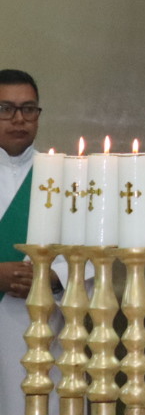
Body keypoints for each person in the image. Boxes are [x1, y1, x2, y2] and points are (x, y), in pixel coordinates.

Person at [0, 71, 48, 407]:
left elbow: (89, 248)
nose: (19, 119)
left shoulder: (61, 174)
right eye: (6, 108)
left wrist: (52, 276)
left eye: (28, 109)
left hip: (43, 330)